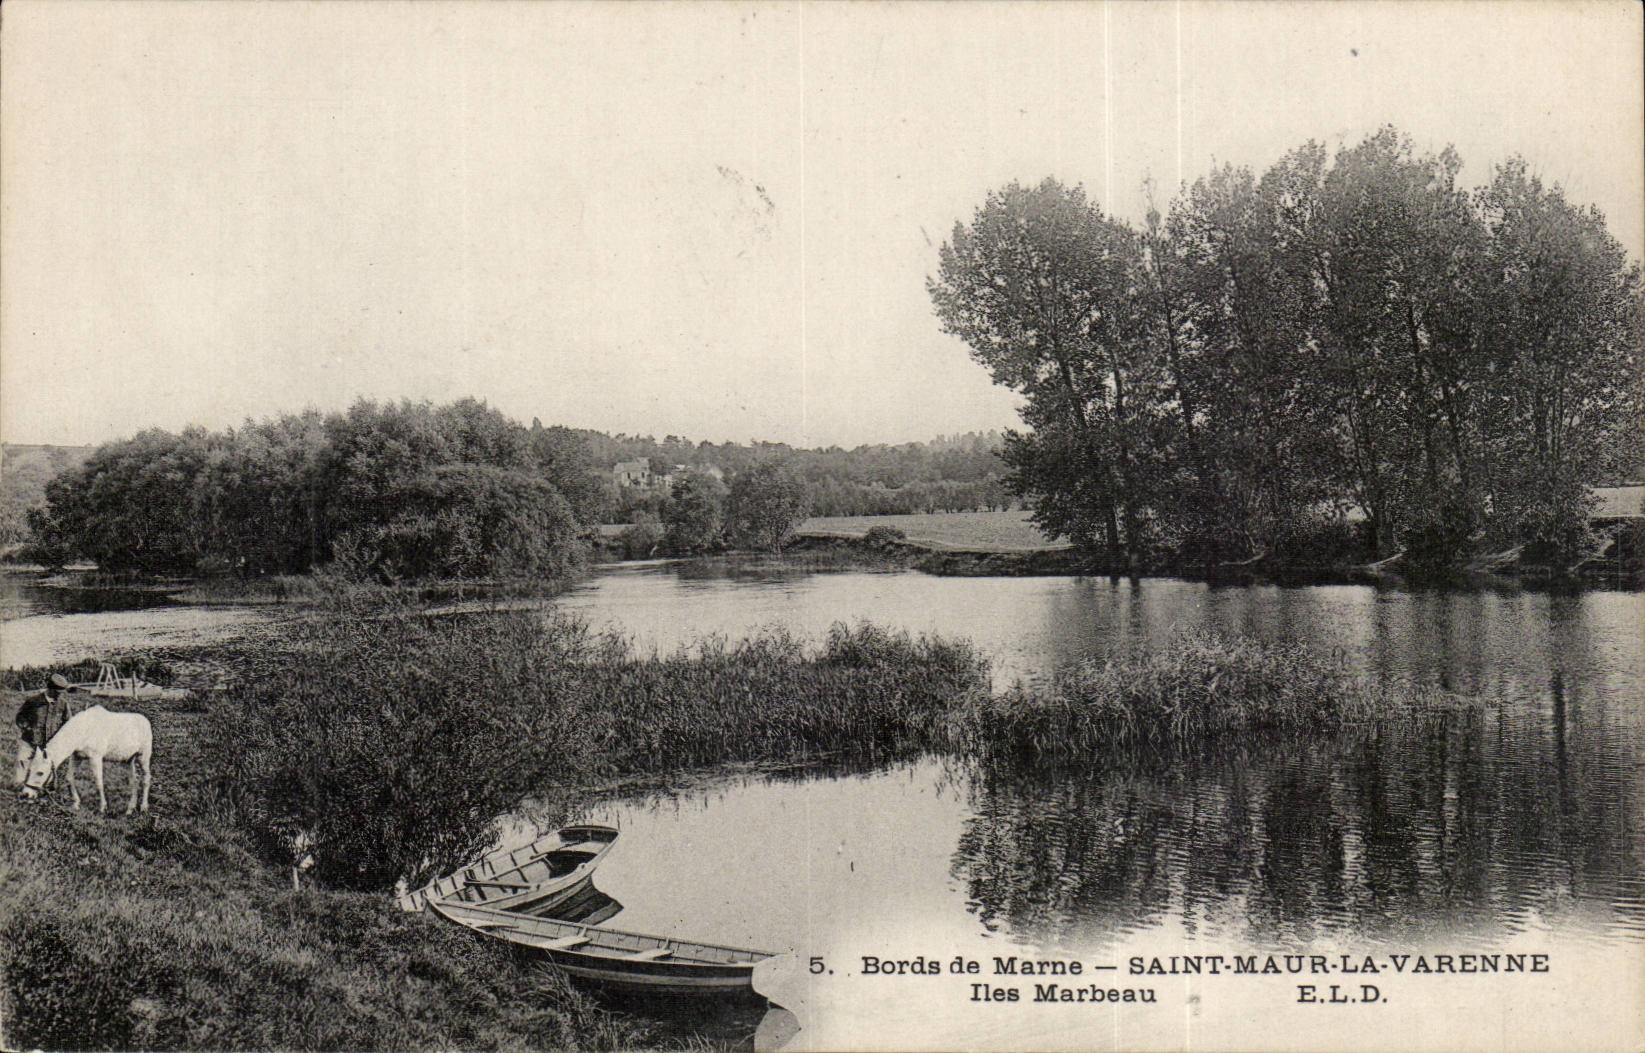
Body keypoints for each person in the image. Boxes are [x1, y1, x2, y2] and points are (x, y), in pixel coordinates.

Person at [13, 673, 77, 787]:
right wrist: (27, 728)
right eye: (57, 693)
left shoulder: (63, 705)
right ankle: (19, 787)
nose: (59, 696)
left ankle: (42, 789)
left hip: (49, 744)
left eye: (61, 693)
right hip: (30, 741)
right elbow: (20, 717)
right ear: (50, 689)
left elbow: (69, 725)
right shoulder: (33, 701)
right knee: (22, 761)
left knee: (45, 768)